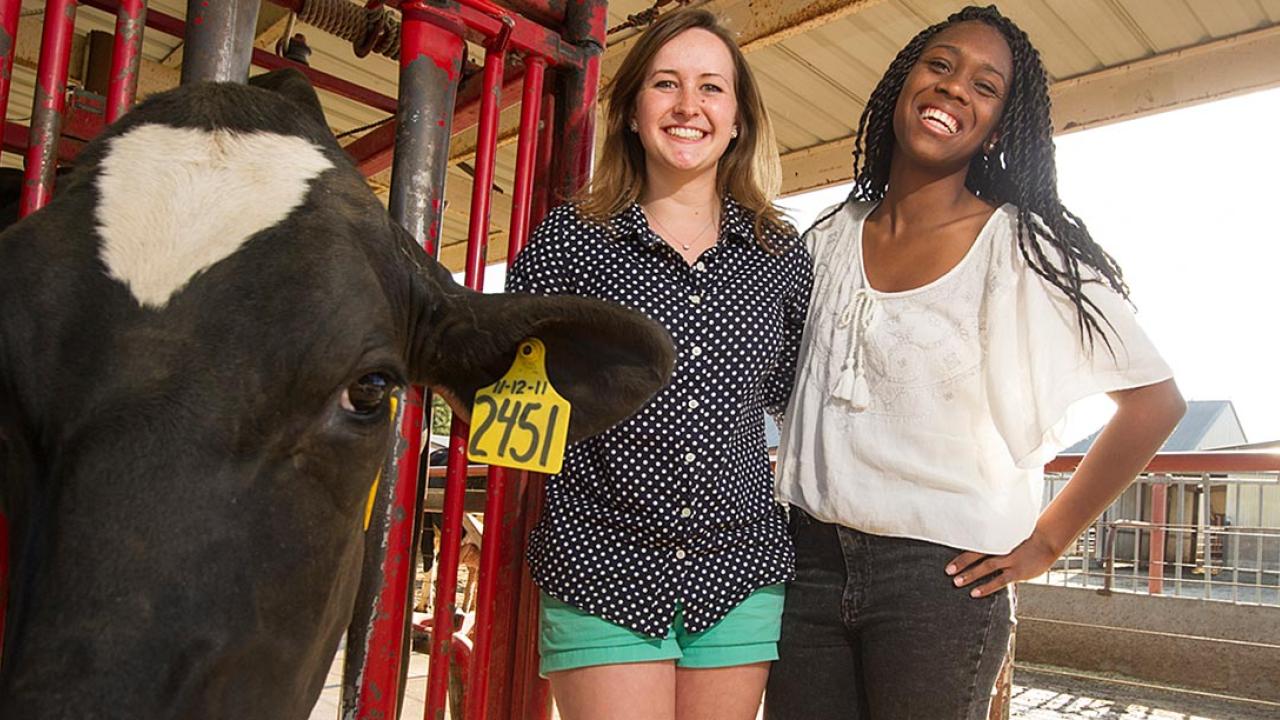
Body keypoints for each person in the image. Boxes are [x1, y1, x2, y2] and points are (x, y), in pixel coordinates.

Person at [765, 6, 1186, 719]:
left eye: (984, 86)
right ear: (903, 83)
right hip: (805, 562)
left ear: (999, 125)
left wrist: (1049, 540)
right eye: (940, 65)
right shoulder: (830, 238)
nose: (955, 88)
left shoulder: (1022, 249)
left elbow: (1155, 401)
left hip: (940, 584)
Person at [505, 9, 812, 720]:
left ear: (738, 119)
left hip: (739, 570)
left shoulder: (779, 255)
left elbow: (792, 394)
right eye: (666, 84)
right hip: (599, 560)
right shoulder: (571, 242)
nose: (687, 106)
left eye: (712, 88)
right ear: (633, 112)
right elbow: (504, 383)